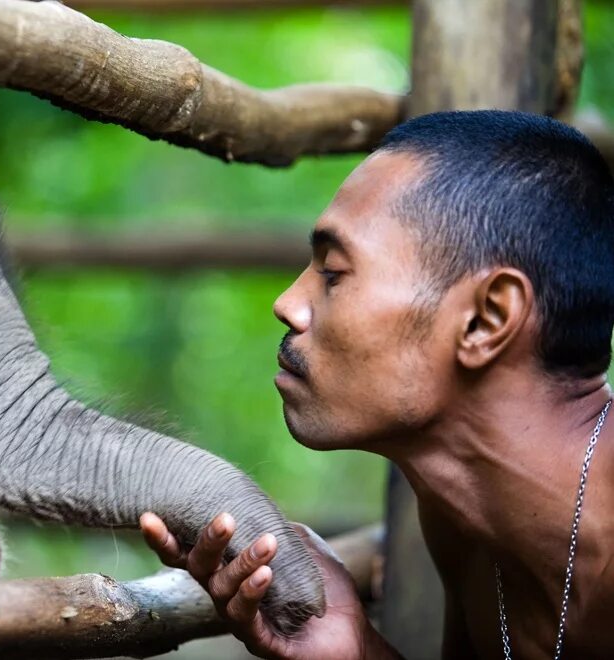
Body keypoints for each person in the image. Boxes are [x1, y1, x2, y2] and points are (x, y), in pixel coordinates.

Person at [140, 110, 614, 659]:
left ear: (486, 319)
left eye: (334, 273)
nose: (287, 305)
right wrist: (358, 649)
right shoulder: (466, 524)